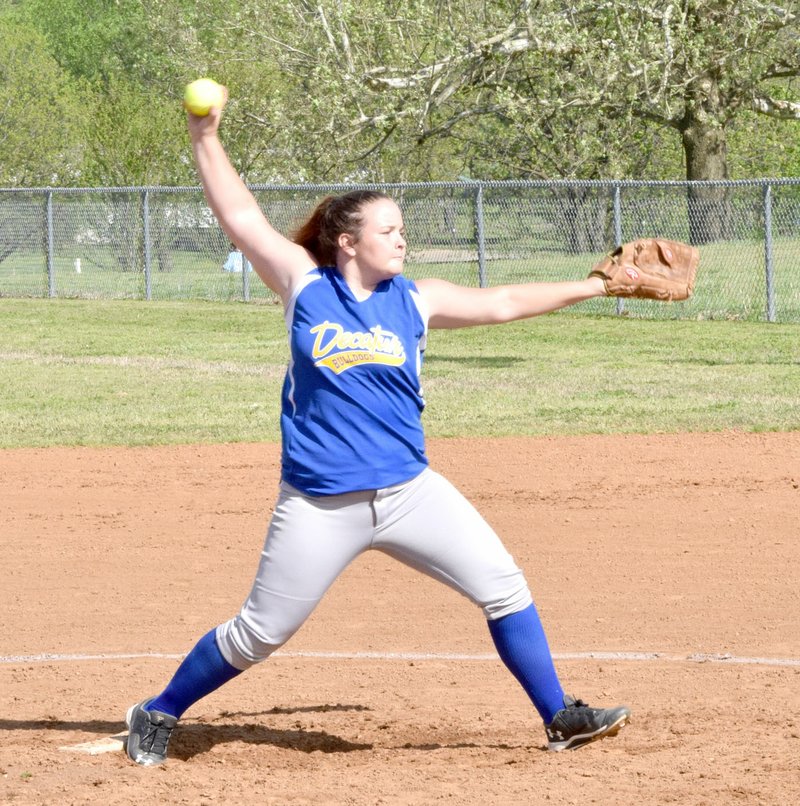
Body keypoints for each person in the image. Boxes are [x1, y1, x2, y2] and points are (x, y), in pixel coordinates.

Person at [124, 87, 631, 767]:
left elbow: (506, 301)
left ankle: (560, 717)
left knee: (504, 586)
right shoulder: (305, 285)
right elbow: (241, 216)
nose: (402, 238)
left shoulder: (416, 300)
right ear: (347, 241)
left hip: (408, 491)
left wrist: (596, 285)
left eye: (401, 229)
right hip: (319, 504)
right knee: (258, 634)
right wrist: (204, 135)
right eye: (388, 229)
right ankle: (157, 711)